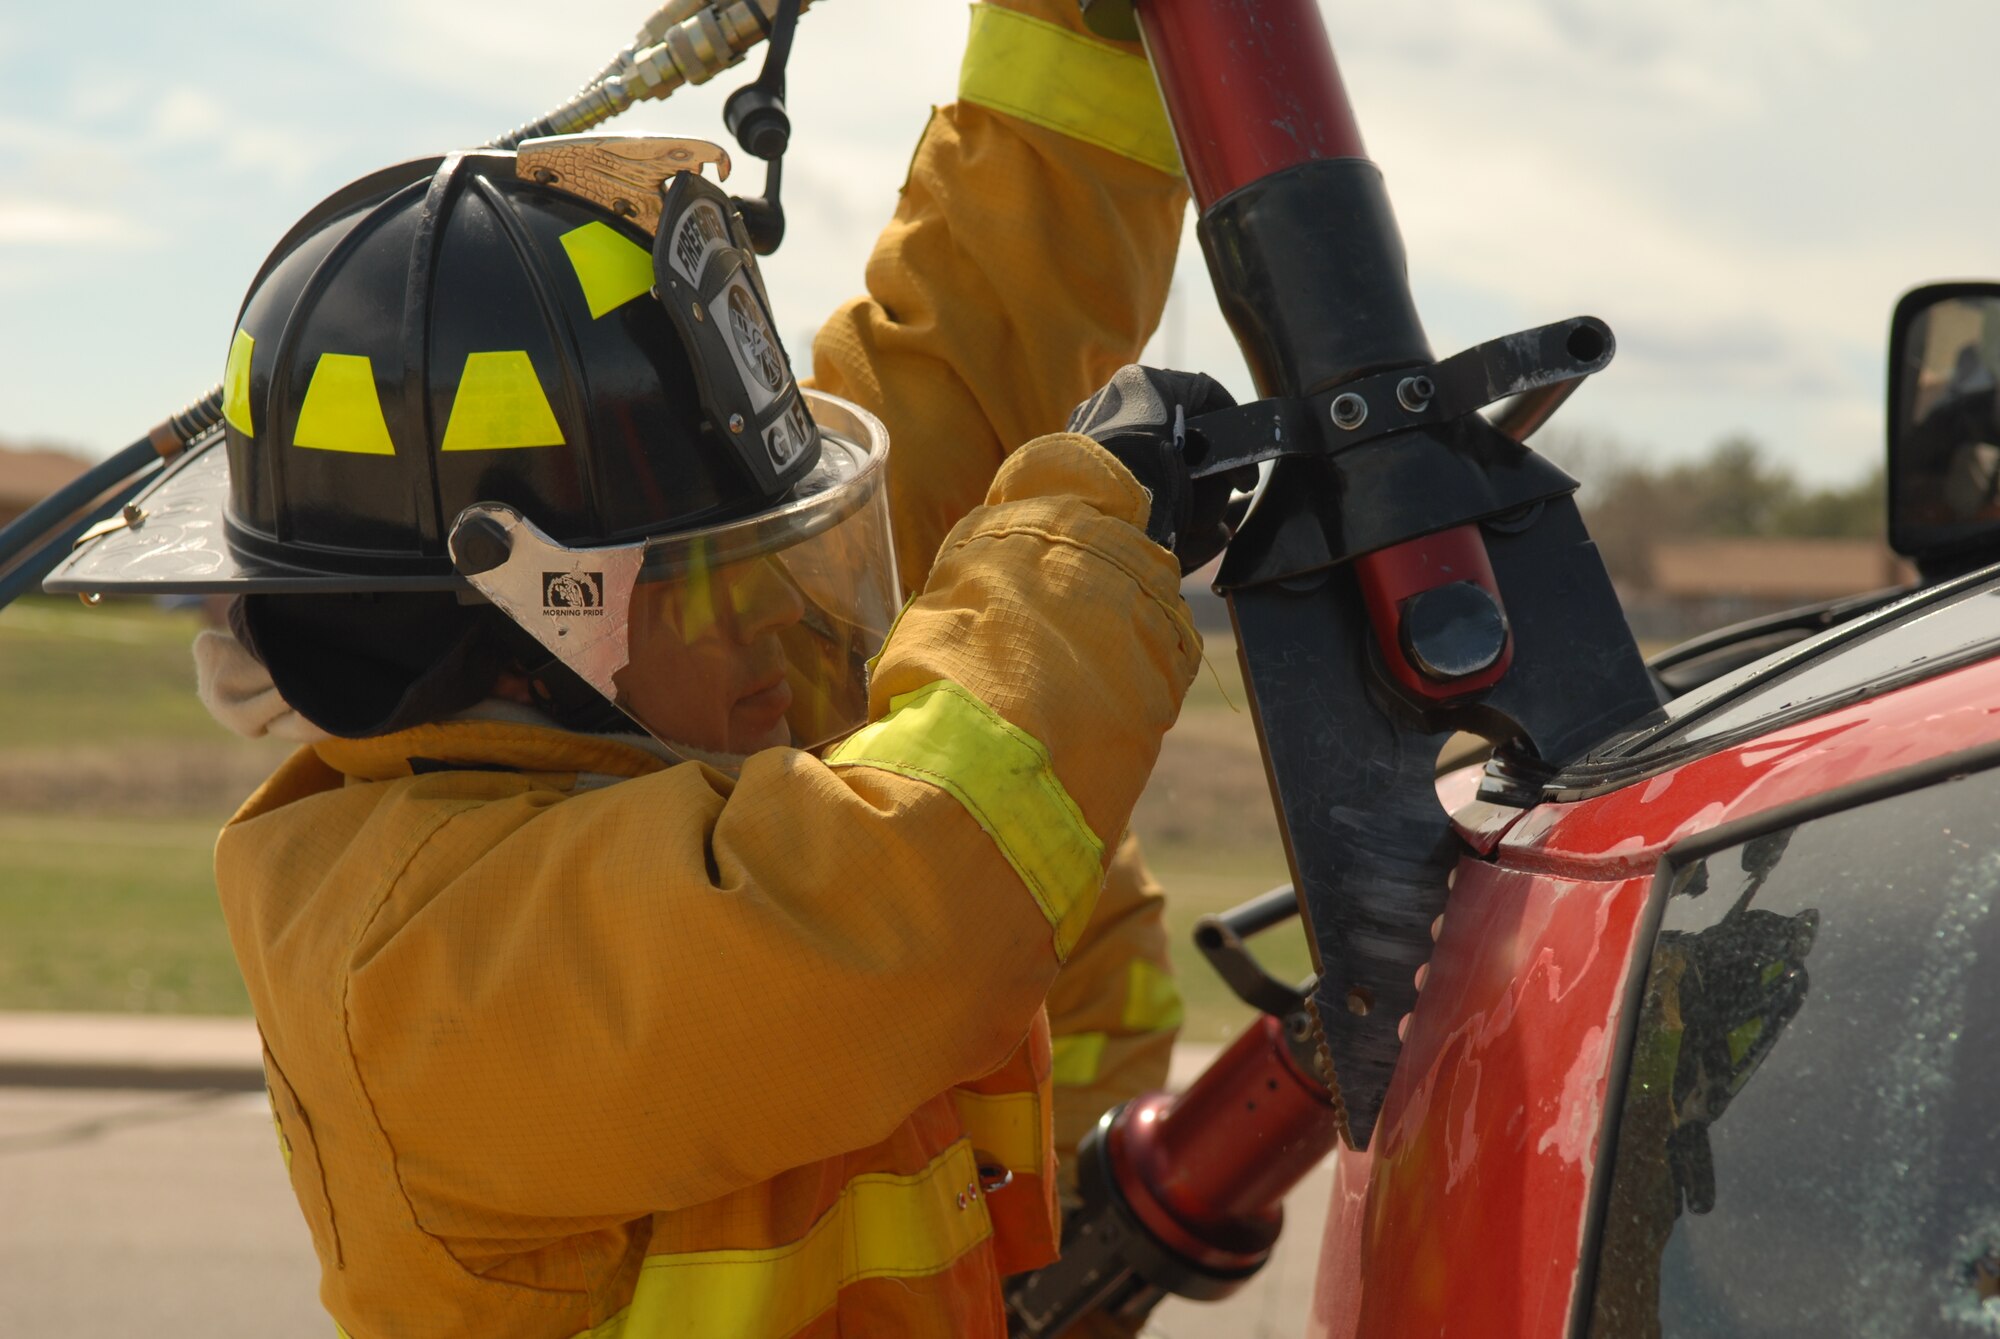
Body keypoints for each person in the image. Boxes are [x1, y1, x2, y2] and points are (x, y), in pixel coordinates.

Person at [60, 4, 1238, 1334]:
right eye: (718, 583)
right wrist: (1077, 545)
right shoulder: (411, 969)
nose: (772, 627)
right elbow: (889, 913)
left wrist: (1079, 48)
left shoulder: (656, 701)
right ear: (546, 612)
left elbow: (961, 377)